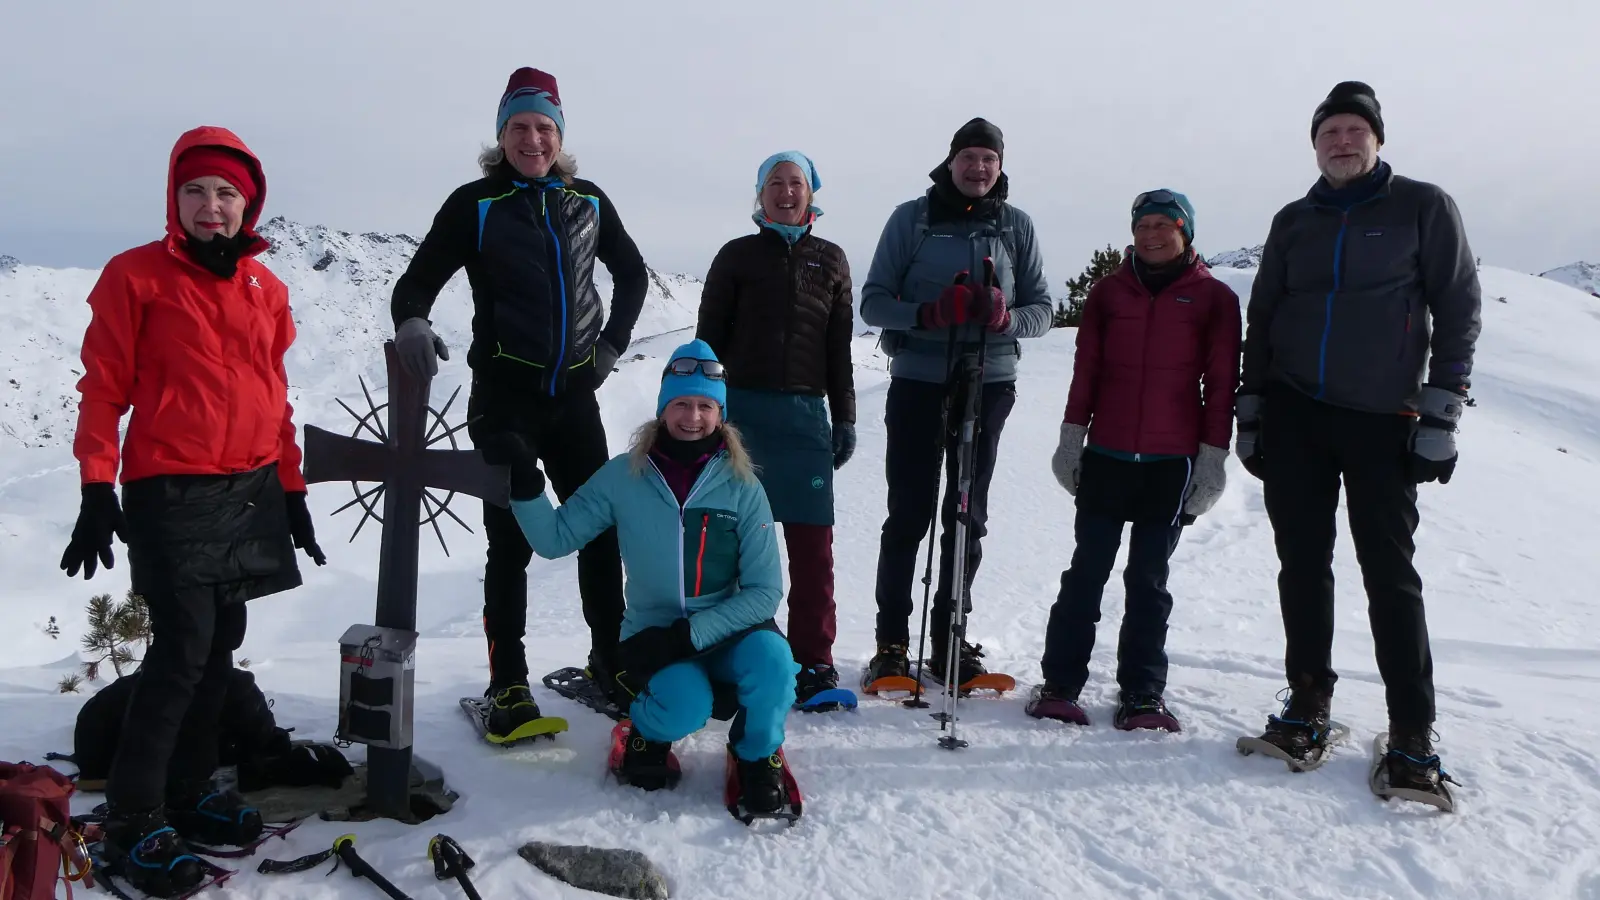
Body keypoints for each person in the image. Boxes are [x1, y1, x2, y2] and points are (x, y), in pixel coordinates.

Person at [60, 125, 324, 898]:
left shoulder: (265, 289)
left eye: (226, 192)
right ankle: (133, 815)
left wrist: (292, 492)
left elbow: (274, 399)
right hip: (169, 490)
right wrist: (95, 487)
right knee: (181, 651)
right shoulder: (135, 275)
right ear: (174, 200)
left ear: (249, 204)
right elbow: (102, 389)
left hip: (247, 491)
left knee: (220, 647)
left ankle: (190, 787)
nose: (212, 205)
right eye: (196, 190)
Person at [388, 66, 650, 738]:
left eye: (544, 127)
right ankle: (507, 683)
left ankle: (610, 659)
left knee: (600, 531)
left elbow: (632, 274)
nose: (533, 139)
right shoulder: (476, 204)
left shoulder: (588, 201)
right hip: (504, 402)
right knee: (509, 543)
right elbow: (415, 284)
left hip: (574, 399)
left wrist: (610, 348)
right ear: (501, 135)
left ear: (560, 136)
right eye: (520, 127)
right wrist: (412, 322)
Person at [1236, 81, 1482, 793]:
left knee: (1389, 573)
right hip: (1295, 414)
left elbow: (1458, 307)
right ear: (1315, 146)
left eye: (1354, 131)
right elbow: (1264, 316)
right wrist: (1252, 409)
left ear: (1377, 139)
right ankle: (1308, 701)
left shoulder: (1423, 206)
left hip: (1383, 420)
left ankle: (1411, 730)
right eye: (1329, 133)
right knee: (1301, 564)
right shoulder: (1293, 221)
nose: (1341, 143)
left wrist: (1441, 413)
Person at [505, 340, 799, 813]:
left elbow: (765, 592)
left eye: (705, 405)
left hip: (729, 629)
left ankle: (757, 752)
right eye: (681, 403)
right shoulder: (625, 476)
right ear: (663, 408)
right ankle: (644, 731)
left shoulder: (743, 486)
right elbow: (555, 538)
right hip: (653, 631)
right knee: (684, 707)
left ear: (720, 414)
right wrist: (526, 483)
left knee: (774, 665)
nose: (693, 417)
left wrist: (689, 635)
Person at [1031, 190, 1241, 730]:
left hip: (1172, 463)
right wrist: (1071, 439)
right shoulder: (1108, 293)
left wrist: (1213, 460)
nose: (1151, 235)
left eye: (1163, 225)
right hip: (1107, 454)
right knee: (1086, 572)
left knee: (1148, 580)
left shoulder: (1215, 299)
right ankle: (1059, 685)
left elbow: (1221, 386)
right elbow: (1087, 371)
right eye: (1142, 225)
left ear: (1185, 232)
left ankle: (1143, 693)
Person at [858, 117, 1054, 688]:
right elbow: (873, 302)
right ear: (950, 162)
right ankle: (892, 643)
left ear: (1000, 166)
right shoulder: (912, 219)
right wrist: (926, 313)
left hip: (989, 382)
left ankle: (950, 636)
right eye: (968, 157)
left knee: (967, 514)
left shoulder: (1016, 226)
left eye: (988, 159)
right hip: (919, 380)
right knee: (909, 512)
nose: (978, 167)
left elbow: (1042, 309)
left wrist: (1006, 317)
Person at [696, 151, 855, 707]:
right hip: (742, 417)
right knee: (734, 547)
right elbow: (708, 340)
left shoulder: (832, 260)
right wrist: (705, 414)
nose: (786, 193)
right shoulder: (736, 256)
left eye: (796, 183)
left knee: (813, 549)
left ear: (811, 193)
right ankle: (736, 652)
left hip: (806, 417)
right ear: (760, 194)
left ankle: (814, 661)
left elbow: (839, 349)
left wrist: (845, 416)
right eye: (775, 183)